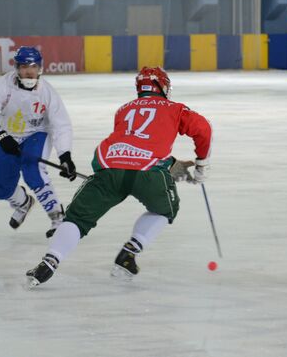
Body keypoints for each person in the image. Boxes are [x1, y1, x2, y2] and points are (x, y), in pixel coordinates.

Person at [26, 66, 212, 287]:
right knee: (165, 209)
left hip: (108, 166)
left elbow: (130, 143)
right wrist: (201, 164)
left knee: (76, 219)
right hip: (148, 174)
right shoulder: (176, 108)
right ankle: (128, 254)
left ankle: (49, 262)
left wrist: (109, 175)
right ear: (162, 86)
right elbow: (203, 129)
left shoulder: (123, 110)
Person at [0, 46, 77, 238]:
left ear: (40, 68)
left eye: (33, 66)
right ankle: (23, 202)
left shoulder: (47, 92)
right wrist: (0, 135)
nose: (28, 71)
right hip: (9, 136)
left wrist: (65, 155)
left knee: (33, 170)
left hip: (38, 133)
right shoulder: (3, 86)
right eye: (23, 66)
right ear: (17, 68)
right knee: (0, 188)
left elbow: (61, 125)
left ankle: (58, 217)